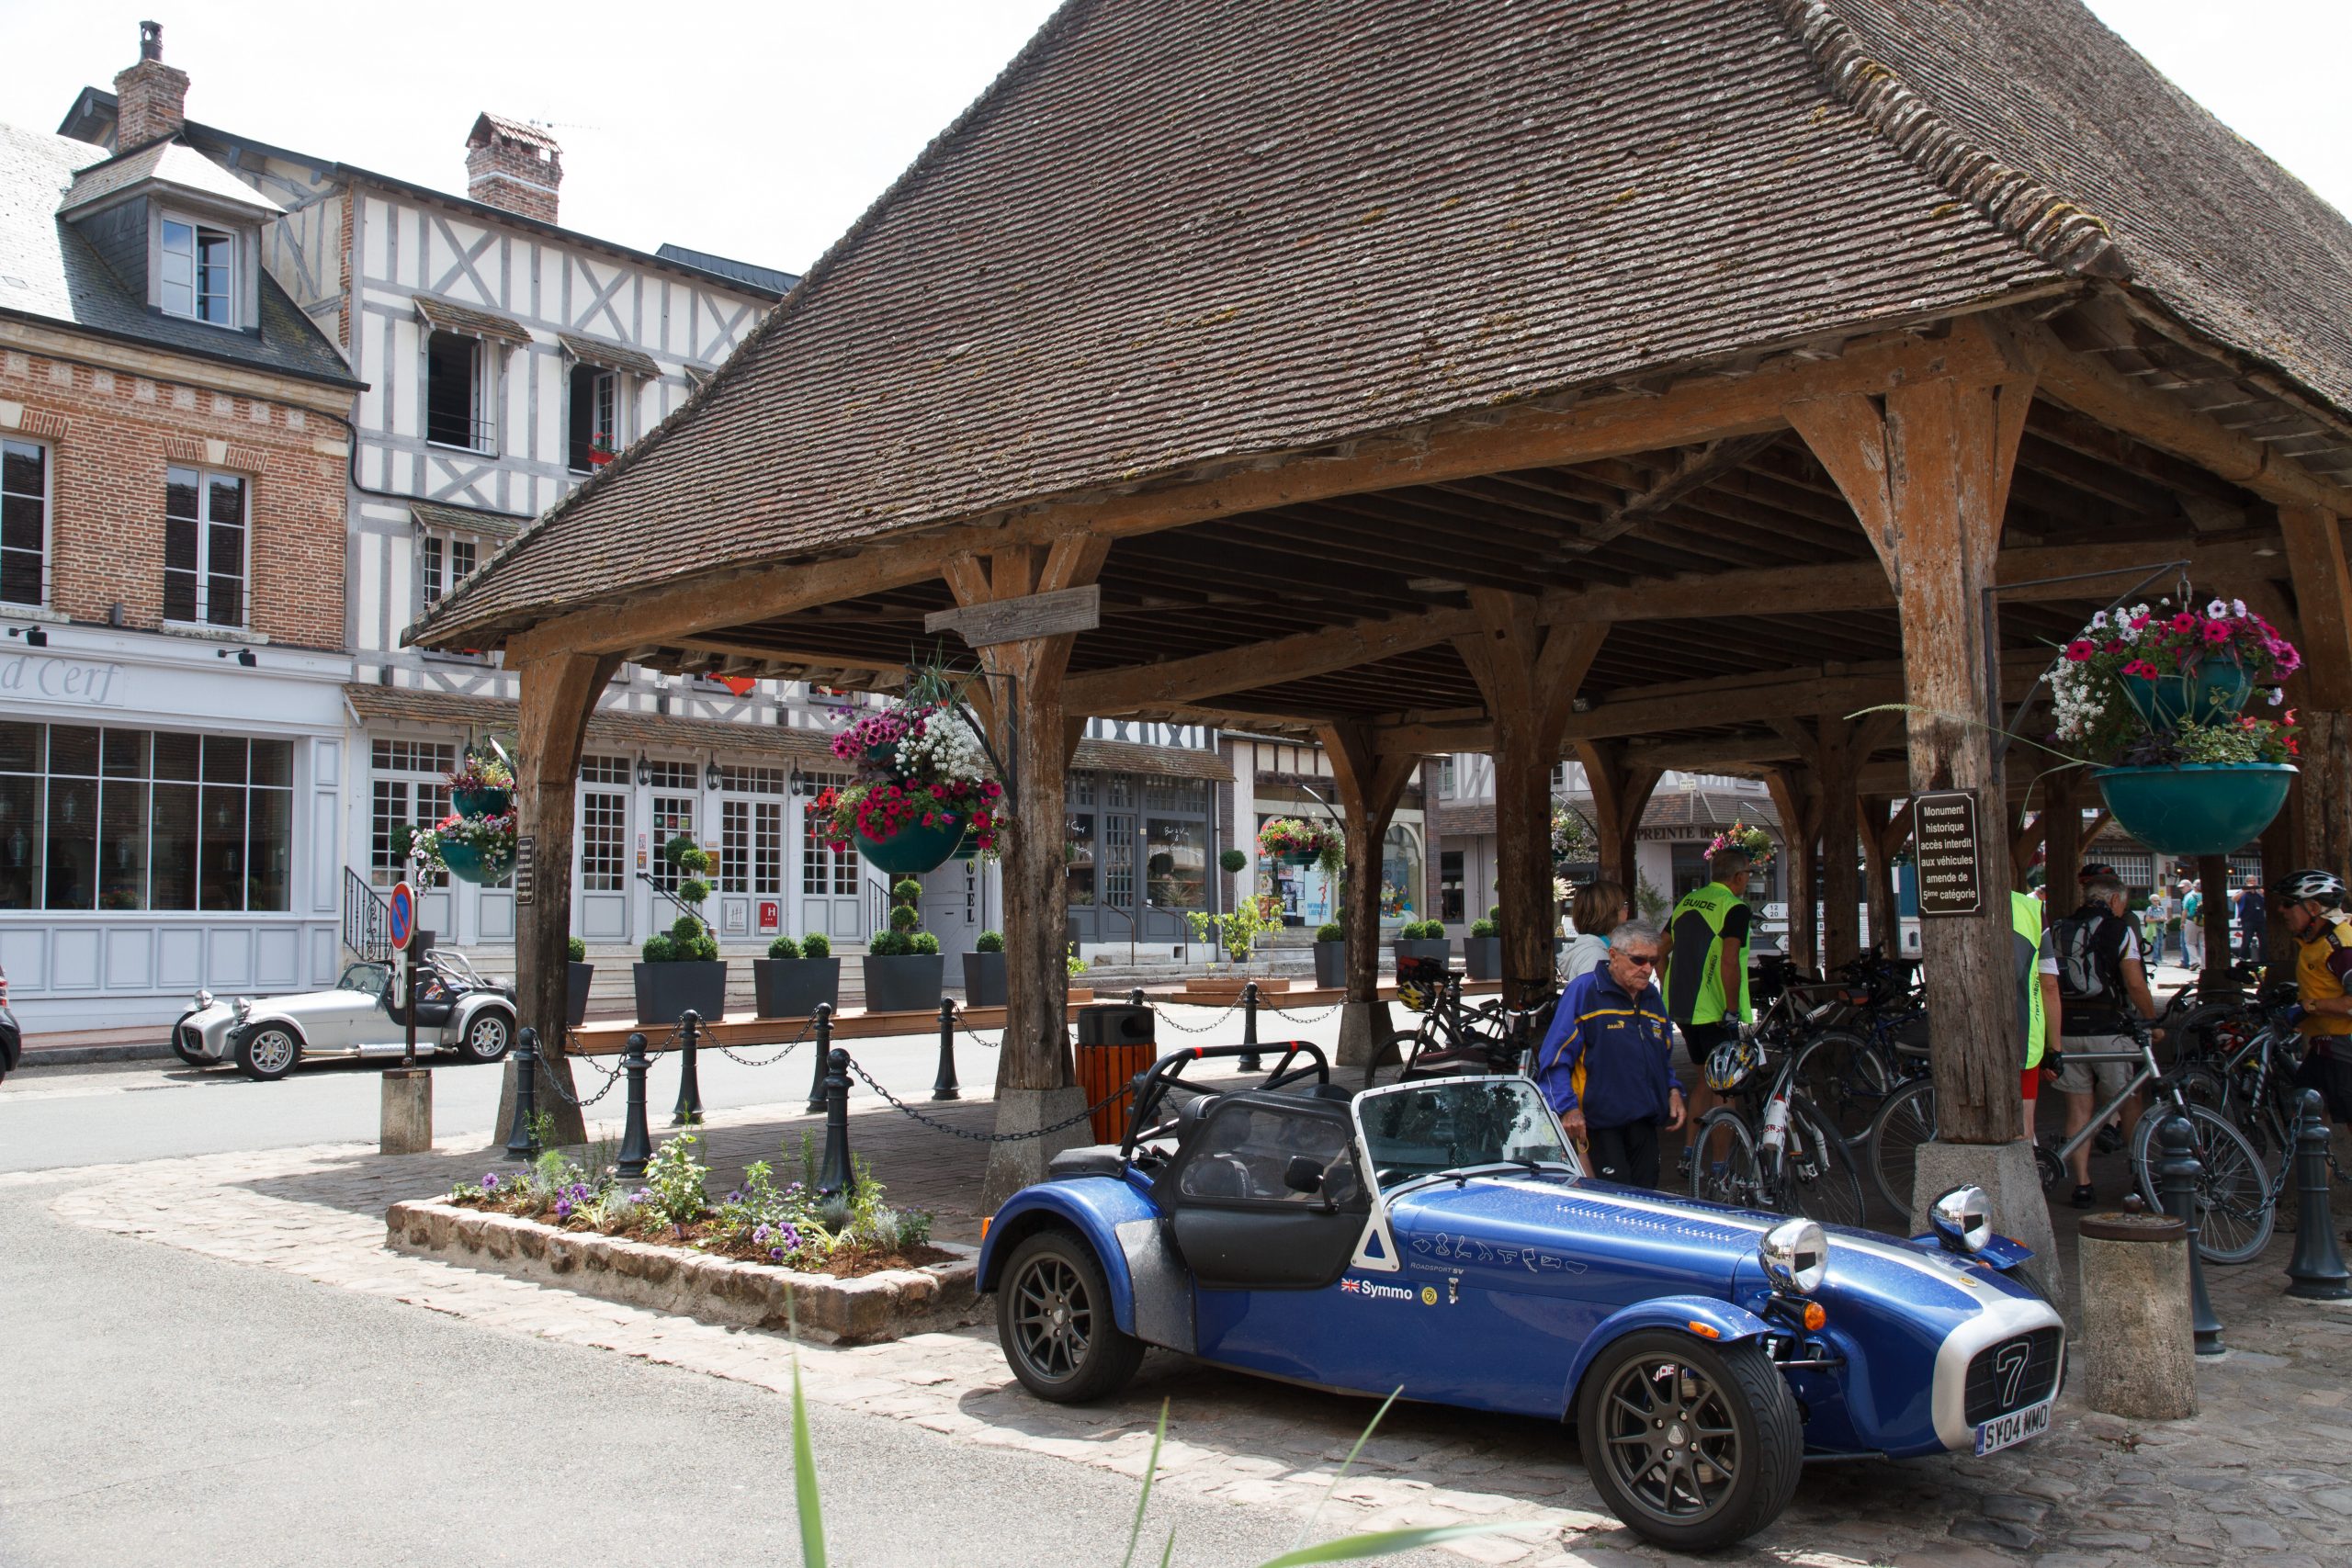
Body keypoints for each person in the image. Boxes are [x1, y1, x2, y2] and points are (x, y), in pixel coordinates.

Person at [1533, 920, 1683, 1187]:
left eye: (1653, 960)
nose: (1647, 969)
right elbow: (1554, 1059)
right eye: (1639, 960)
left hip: (1645, 1121)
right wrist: (1568, 1109)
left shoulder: (1651, 997)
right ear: (1613, 955)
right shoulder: (1584, 991)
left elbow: (1662, 1054)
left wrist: (1672, 1089)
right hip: (1600, 1125)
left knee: (1647, 1201)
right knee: (1614, 1204)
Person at [2050, 871, 2159, 1206]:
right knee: (2129, 1104)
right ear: (2114, 899)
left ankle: (2082, 1185)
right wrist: (2153, 1020)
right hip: (2109, 1030)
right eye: (2122, 903)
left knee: (2079, 1108)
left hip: (2069, 1029)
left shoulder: (2057, 929)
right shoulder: (2120, 929)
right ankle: (2142, 1178)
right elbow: (2136, 983)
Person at [1665, 847, 1754, 1141]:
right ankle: (1719, 1166)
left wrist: (1668, 987)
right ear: (1739, 877)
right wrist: (1731, 1009)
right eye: (1749, 874)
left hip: (1684, 1009)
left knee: (1704, 1081)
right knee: (1726, 1090)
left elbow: (1658, 951)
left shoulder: (1687, 902)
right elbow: (1729, 959)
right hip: (1716, 1013)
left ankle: (1690, 1153)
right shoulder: (1734, 908)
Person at [2268, 871, 2352, 1172]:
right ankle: (2312, 1203)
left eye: (2289, 903)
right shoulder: (2313, 943)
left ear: (2314, 909)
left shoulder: (2341, 947)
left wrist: (2311, 1006)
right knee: (2307, 1122)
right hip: (2323, 1047)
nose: (2281, 910)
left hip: (2345, 1047)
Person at [2013, 888, 2062, 1135]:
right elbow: (2049, 985)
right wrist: (2055, 1048)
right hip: (2023, 1034)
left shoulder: (1951, 900)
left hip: (1966, 1037)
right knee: (2023, 1131)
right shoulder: (2030, 910)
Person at [1558, 880, 1629, 985]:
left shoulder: (1599, 949)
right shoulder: (1595, 955)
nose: (1627, 909)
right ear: (1609, 911)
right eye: (1624, 904)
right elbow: (1594, 998)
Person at [2237, 880, 2267, 963]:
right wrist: (2244, 891)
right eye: (2250, 881)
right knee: (2246, 941)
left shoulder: (2259, 894)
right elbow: (2234, 899)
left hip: (2260, 920)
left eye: (2254, 881)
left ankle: (2263, 960)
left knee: (2264, 941)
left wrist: (2262, 892)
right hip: (2248, 920)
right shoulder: (2243, 893)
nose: (2252, 883)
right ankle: (2243, 958)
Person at [2181, 879, 2205, 971]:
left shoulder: (2189, 896)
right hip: (2204, 922)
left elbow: (2185, 911)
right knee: (2203, 944)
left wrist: (2182, 922)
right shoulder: (2206, 896)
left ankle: (2194, 962)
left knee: (2190, 943)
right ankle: (2204, 965)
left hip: (2191, 921)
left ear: (2194, 887)